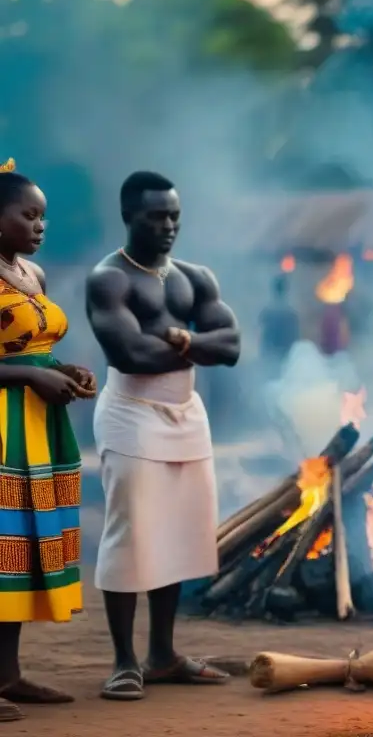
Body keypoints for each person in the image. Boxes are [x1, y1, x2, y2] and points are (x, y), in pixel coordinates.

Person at [86, 171, 241, 701]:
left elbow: (232, 347)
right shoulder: (109, 278)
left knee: (178, 532)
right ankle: (125, 661)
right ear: (130, 217)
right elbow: (127, 354)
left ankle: (163, 654)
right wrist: (196, 342)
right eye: (157, 216)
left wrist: (181, 341)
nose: (169, 224)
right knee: (131, 535)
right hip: (131, 411)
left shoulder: (195, 277)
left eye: (174, 214)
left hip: (185, 413)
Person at [0, 160, 96, 722]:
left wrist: (64, 369)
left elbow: (31, 348)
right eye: (28, 215)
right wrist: (32, 377)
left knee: (13, 553)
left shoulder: (31, 277)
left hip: (35, 428)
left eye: (43, 217)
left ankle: (8, 674)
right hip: (4, 425)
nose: (40, 226)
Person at [258, 274, 301, 373]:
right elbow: (296, 335)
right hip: (284, 353)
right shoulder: (291, 313)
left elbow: (262, 332)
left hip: (272, 353)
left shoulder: (268, 311)